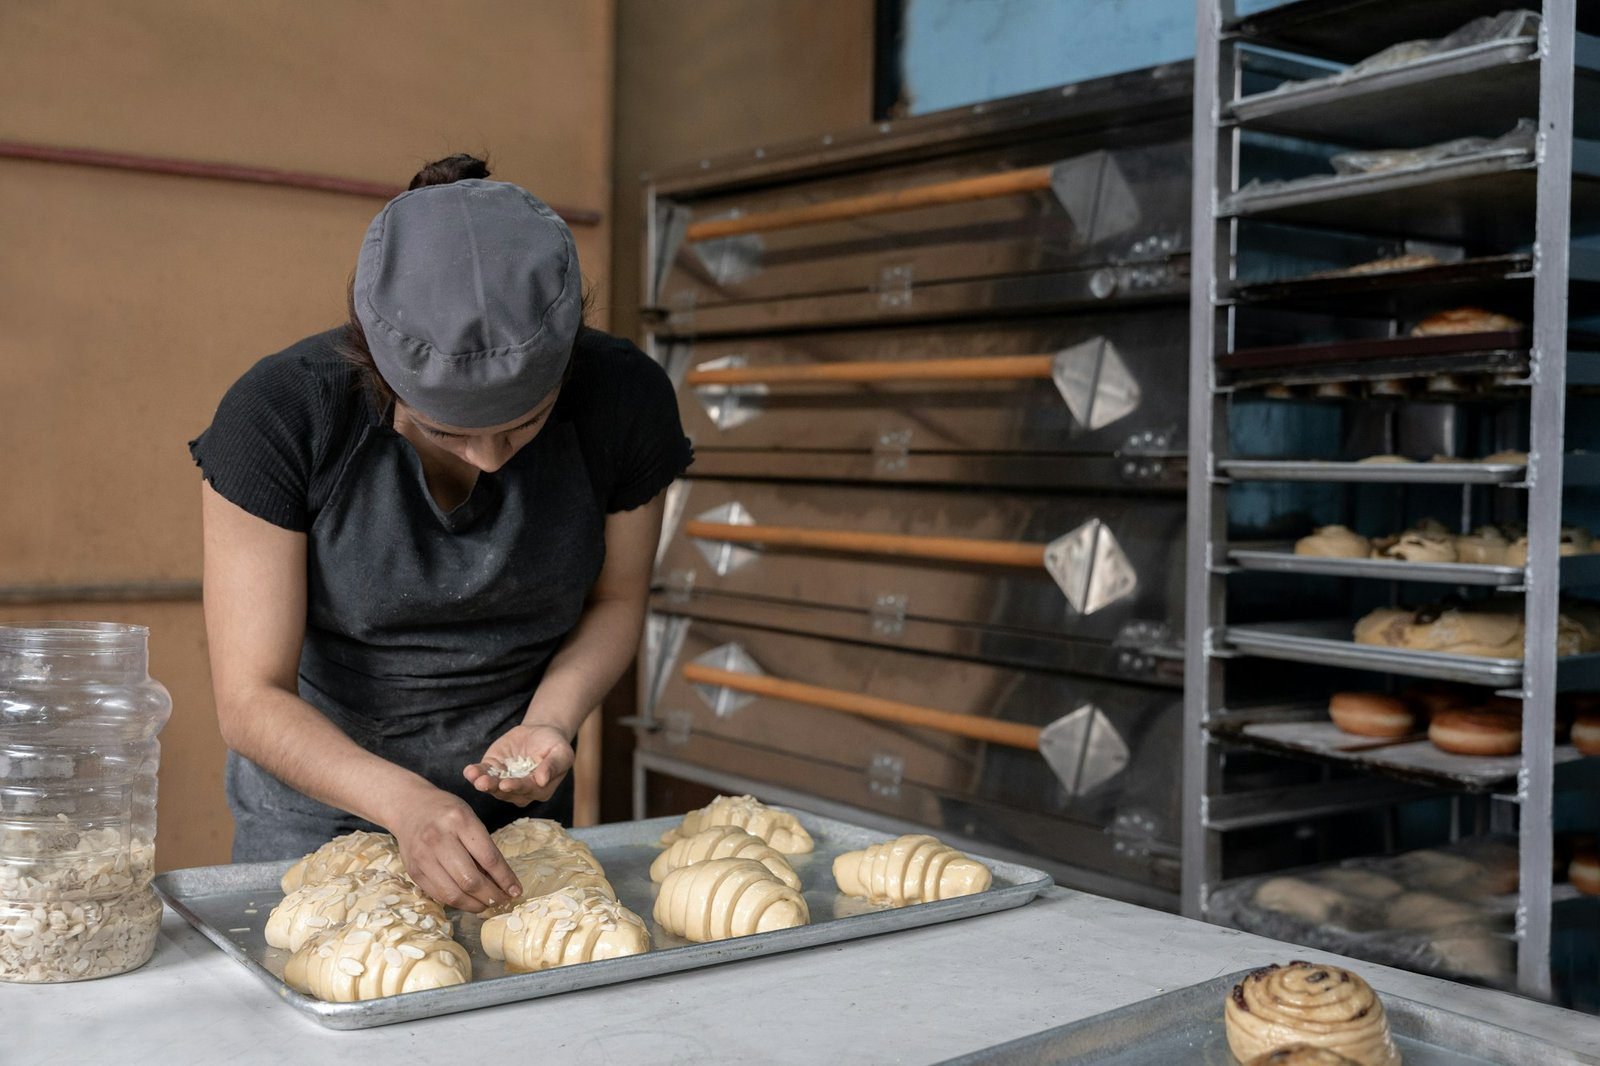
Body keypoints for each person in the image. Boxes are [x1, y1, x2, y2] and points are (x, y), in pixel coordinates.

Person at [190, 154, 691, 912]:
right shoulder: (280, 418)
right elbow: (251, 697)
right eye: (443, 432)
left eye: (526, 424)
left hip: (520, 807)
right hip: (319, 809)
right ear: (376, 370)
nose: (489, 459)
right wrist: (404, 803)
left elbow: (617, 599)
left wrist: (551, 723)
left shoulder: (625, 401)